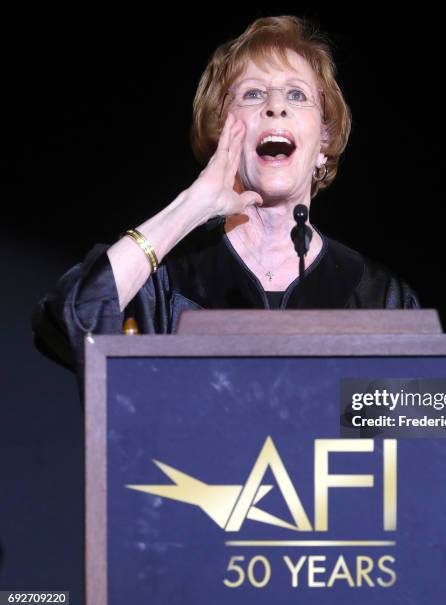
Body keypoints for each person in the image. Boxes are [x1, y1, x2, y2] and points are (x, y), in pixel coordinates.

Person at [32, 15, 420, 389]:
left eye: (297, 94)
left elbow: (430, 430)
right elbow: (70, 317)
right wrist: (191, 206)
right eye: (253, 93)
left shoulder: (379, 297)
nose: (276, 106)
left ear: (324, 141)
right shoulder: (170, 281)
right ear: (221, 131)